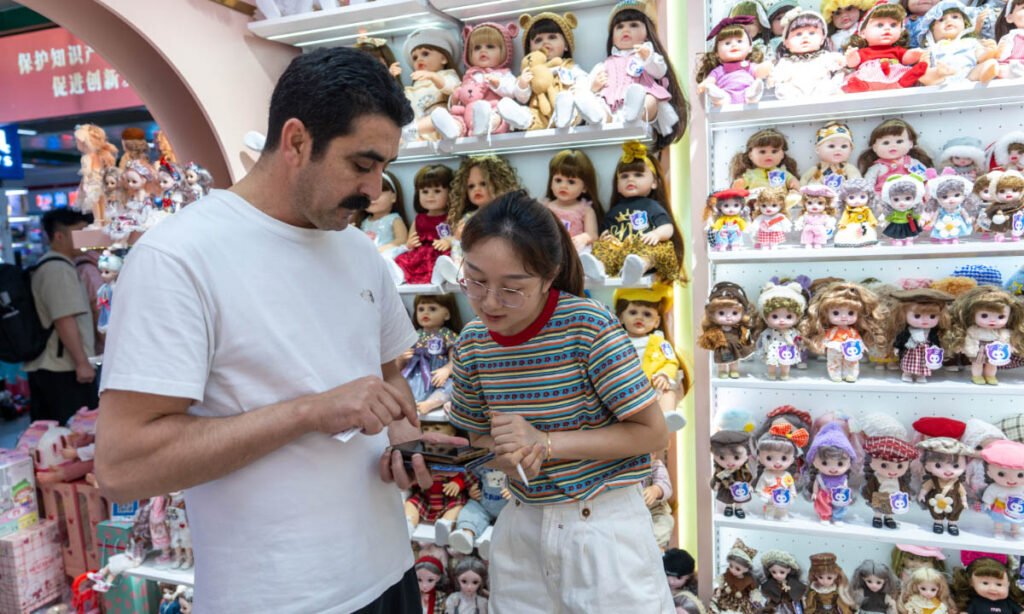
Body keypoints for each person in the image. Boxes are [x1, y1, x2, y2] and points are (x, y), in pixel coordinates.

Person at [95, 47, 463, 613]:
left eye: (384, 168)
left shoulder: (358, 252)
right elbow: (123, 467)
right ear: (295, 141)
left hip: (391, 575)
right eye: (362, 164)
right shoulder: (179, 257)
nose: (374, 189)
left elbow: (389, 382)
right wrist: (309, 412)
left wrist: (407, 446)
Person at [448, 191, 675, 613]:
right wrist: (505, 454)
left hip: (603, 529)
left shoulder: (587, 326)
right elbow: (478, 439)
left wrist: (546, 444)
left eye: (512, 289)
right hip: (521, 527)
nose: (490, 302)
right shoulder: (472, 343)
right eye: (475, 280)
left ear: (549, 276)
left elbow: (653, 433)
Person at [26, 209, 98, 423]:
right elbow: (64, 318)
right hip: (62, 370)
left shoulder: (60, 265)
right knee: (74, 430)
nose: (86, 237)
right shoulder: (57, 269)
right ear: (59, 236)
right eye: (80, 232)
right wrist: (81, 363)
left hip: (60, 368)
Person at [73, 249, 104, 355]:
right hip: (99, 348)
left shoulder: (77, 264)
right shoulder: (90, 271)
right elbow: (99, 311)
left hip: (86, 342)